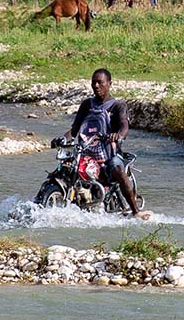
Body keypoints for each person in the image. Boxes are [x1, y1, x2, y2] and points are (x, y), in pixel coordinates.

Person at [60, 69, 152, 219]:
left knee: (117, 167)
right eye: (93, 82)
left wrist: (118, 135)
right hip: (87, 152)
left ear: (109, 84)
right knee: (67, 168)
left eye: (100, 82)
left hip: (110, 153)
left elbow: (124, 126)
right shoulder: (86, 105)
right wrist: (63, 139)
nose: (96, 85)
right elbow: (74, 129)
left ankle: (136, 211)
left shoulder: (118, 105)